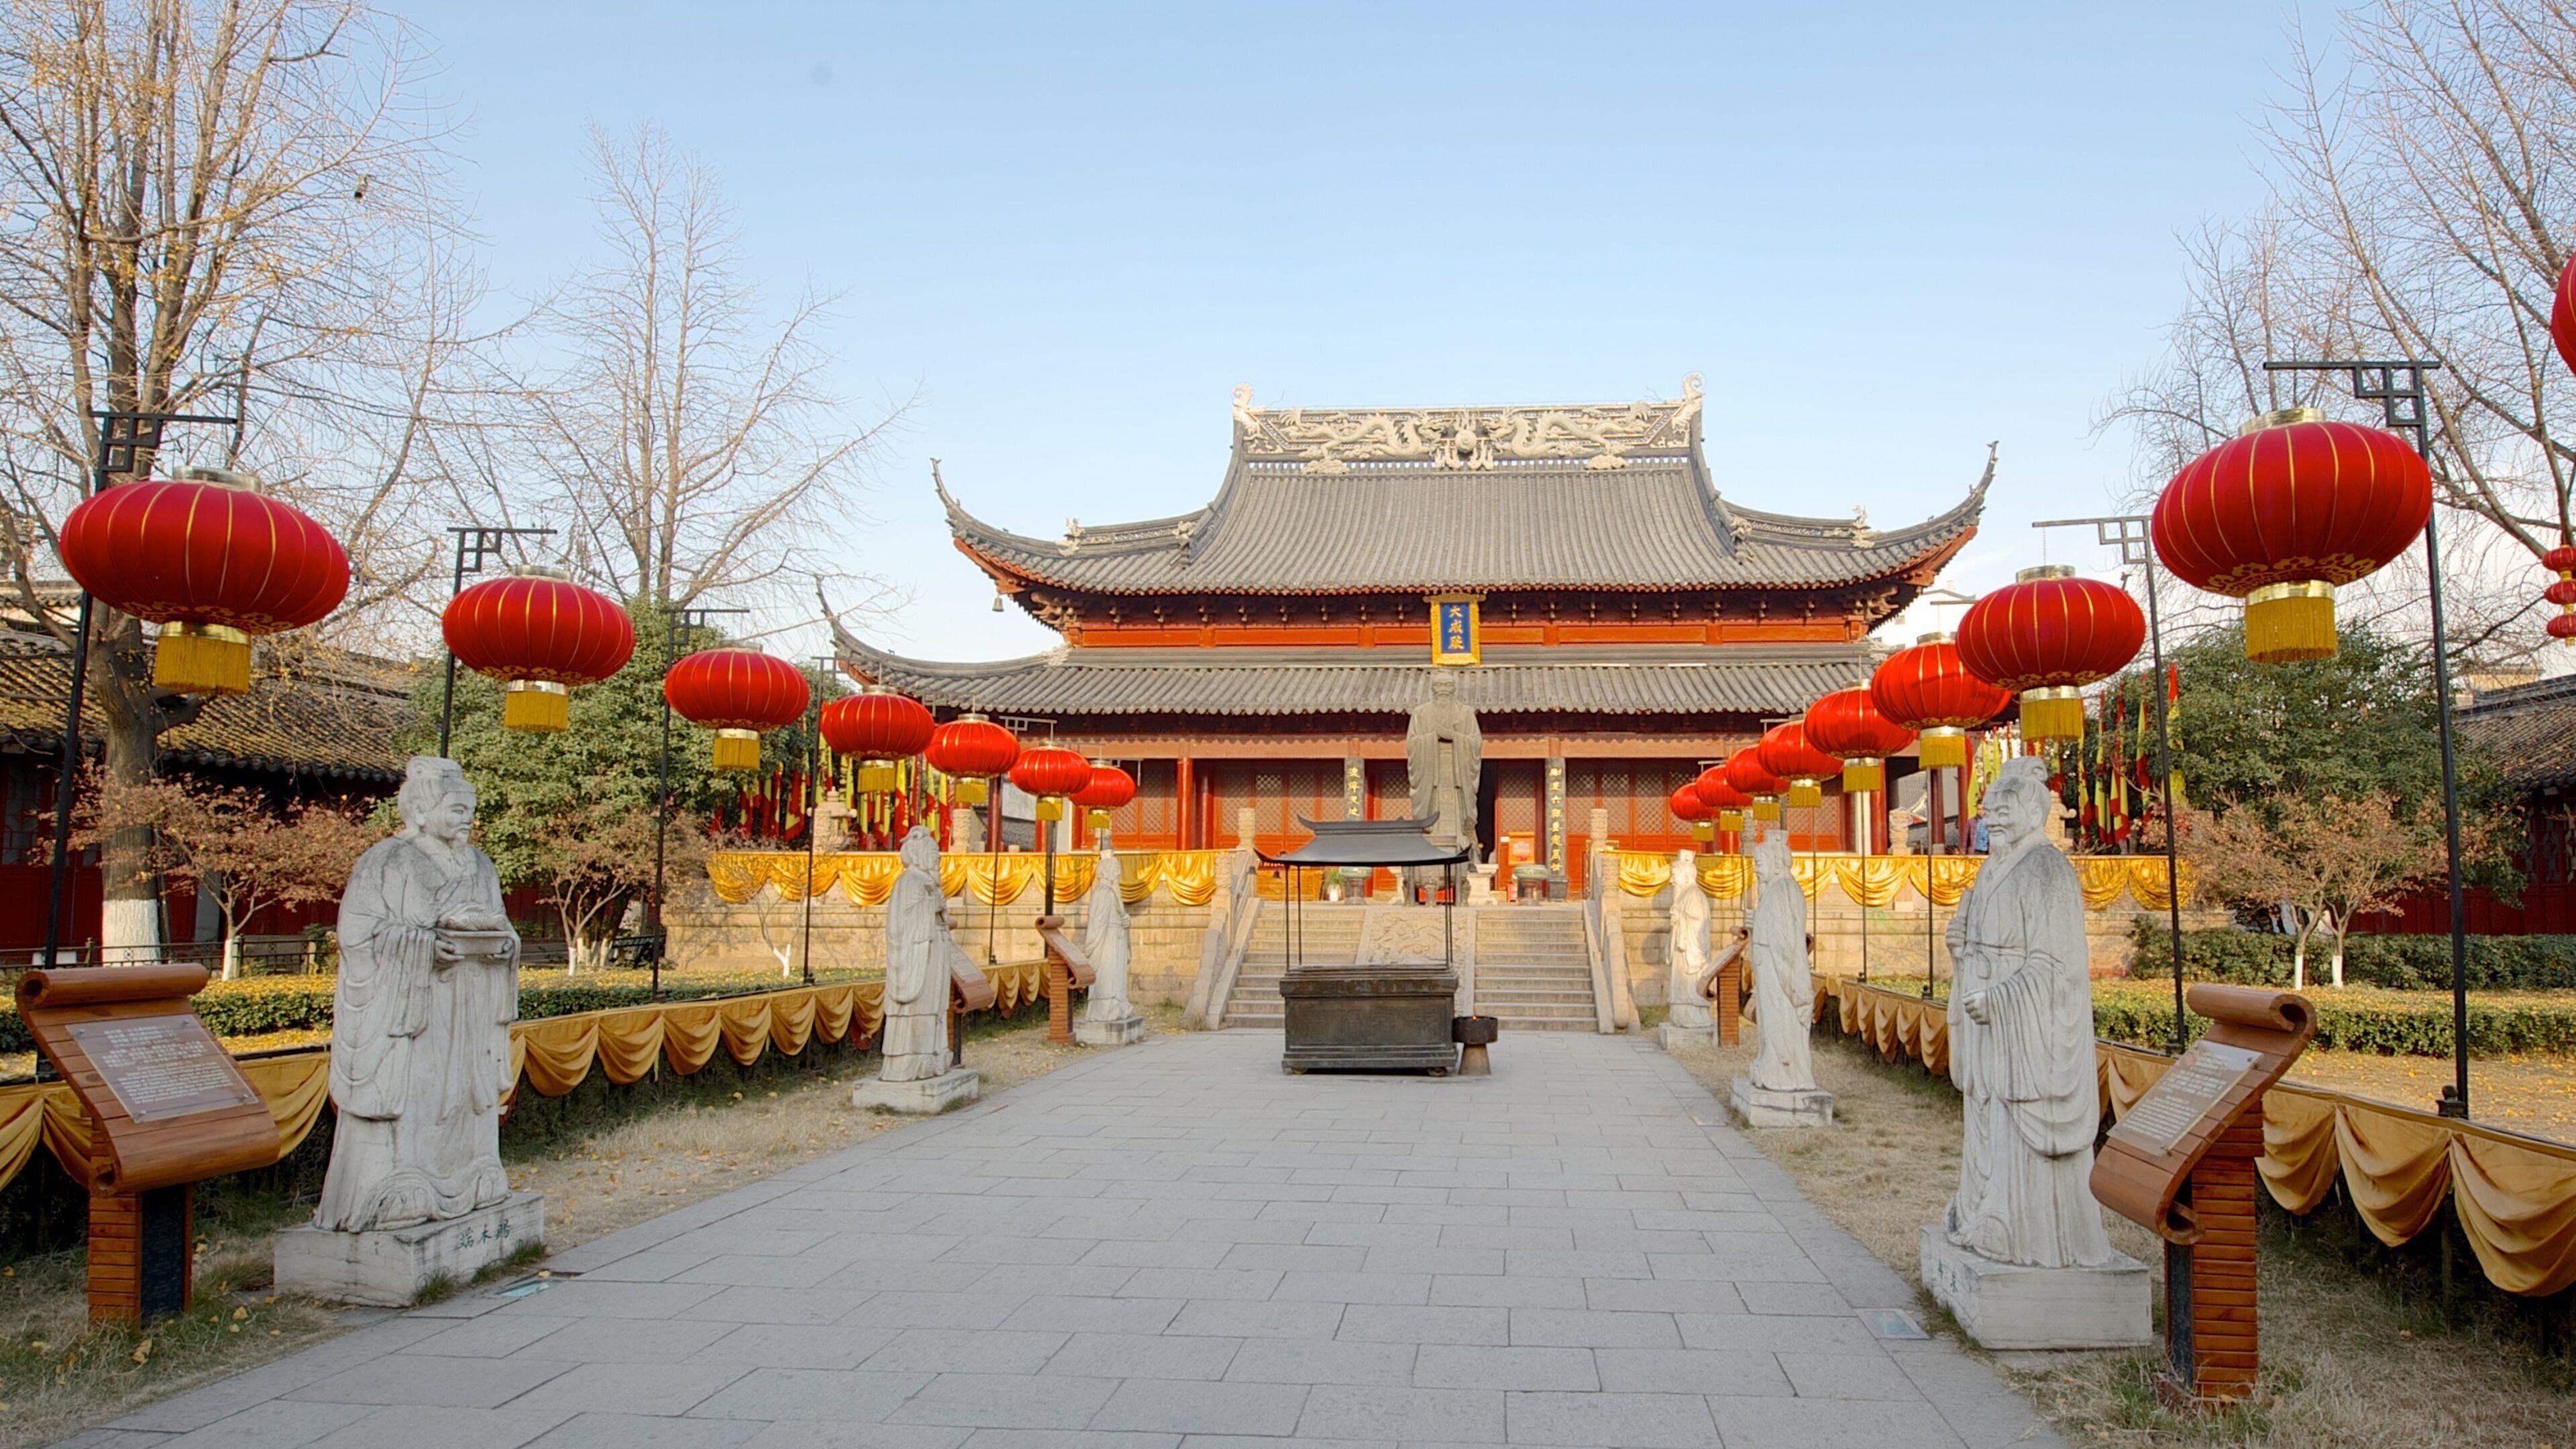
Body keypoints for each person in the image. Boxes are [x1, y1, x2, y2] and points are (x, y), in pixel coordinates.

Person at [316, 758, 518, 1232]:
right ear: (422, 812)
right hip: (414, 1004)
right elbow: (357, 933)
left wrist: (504, 946)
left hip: (469, 1001)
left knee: (467, 1094)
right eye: (455, 808)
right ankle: (398, 1184)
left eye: (470, 809)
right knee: (416, 1094)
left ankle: (474, 1174)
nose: (466, 818)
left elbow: (503, 925)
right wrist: (425, 944)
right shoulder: (389, 860)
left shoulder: (480, 865)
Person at [1940, 757, 2116, 1268]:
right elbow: (1985, 945)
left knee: (2015, 1124)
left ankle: (2021, 1227)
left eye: (2004, 809)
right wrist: (1962, 950)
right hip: (1987, 1017)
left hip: (2022, 1023)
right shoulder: (1994, 869)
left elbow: (2056, 964)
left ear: (2032, 812)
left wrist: (2001, 998)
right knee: (1986, 1116)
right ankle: (1983, 1210)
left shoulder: (2046, 869)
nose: (1992, 818)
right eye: (1989, 809)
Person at [881, 825, 959, 1082]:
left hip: (933, 950)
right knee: (920, 1007)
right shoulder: (909, 882)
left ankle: (934, 1054)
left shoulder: (927, 882)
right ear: (917, 855)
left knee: (934, 1007)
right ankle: (912, 1058)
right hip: (918, 953)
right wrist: (932, 907)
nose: (937, 860)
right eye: (933, 855)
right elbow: (900, 926)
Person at [1743, 824, 1817, 1091]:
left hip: (1778, 970)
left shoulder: (1785, 891)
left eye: (1759, 862)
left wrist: (1791, 980)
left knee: (1779, 1020)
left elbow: (1786, 944)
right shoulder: (1773, 890)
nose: (1755, 867)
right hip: (1768, 965)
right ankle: (1770, 1065)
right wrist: (1755, 925)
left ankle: (1783, 1072)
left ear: (1775, 862)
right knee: (1770, 1023)